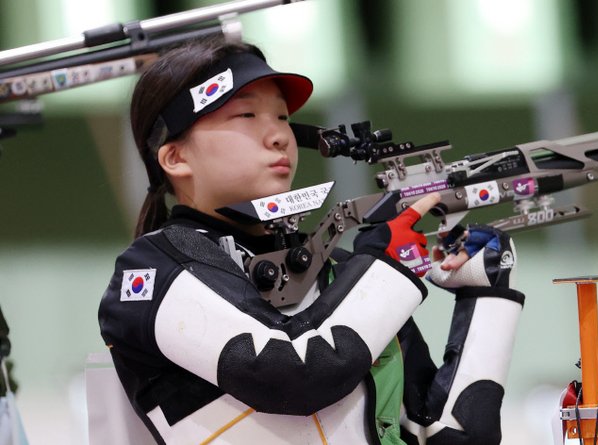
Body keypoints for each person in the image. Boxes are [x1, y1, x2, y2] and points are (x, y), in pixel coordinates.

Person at [99, 35, 525, 445]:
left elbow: (453, 435)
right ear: (175, 157)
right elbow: (294, 374)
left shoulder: (338, 268)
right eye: (246, 116)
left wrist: (483, 294)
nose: (279, 136)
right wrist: (386, 266)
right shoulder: (150, 270)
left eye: (282, 117)